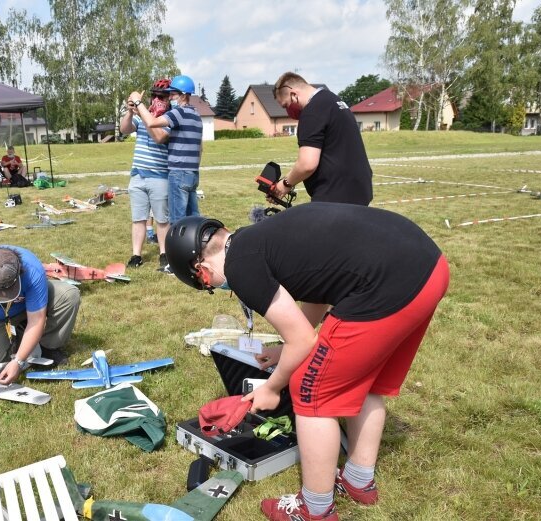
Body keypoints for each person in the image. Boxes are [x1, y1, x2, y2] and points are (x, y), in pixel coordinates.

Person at [165, 204, 449, 521]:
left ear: (200, 267)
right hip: (429, 267)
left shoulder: (240, 266)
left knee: (311, 391)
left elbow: (304, 340)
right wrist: (285, 349)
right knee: (365, 379)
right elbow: (318, 290)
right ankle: (358, 480)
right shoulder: (260, 239)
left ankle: (314, 509)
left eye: (205, 282)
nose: (214, 285)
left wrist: (273, 387)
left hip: (387, 282)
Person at [0, 246, 81, 385]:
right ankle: (21, 335)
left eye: (10, 290)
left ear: (19, 273)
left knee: (69, 295)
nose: (6, 296)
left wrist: (18, 361)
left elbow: (37, 318)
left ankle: (48, 347)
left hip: (29, 309)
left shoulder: (32, 268)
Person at [269, 72, 372, 206]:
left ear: (294, 94)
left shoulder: (312, 111)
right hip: (359, 189)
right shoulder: (333, 100)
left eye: (286, 105)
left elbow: (307, 164)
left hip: (335, 195)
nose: (287, 111)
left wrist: (285, 184)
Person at [129, 74, 203, 225]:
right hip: (193, 174)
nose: (169, 98)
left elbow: (151, 122)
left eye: (173, 94)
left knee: (177, 221)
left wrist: (137, 102)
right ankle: (196, 246)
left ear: (183, 95)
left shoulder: (179, 113)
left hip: (178, 173)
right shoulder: (195, 115)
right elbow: (200, 148)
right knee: (193, 217)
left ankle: (177, 248)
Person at [121, 77, 172, 272]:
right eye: (156, 96)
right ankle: (136, 255)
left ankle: (164, 254)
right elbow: (124, 129)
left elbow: (159, 137)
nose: (158, 100)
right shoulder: (144, 114)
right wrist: (130, 109)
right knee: (138, 218)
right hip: (138, 175)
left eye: (162, 97)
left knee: (161, 219)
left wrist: (141, 110)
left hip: (159, 175)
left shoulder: (170, 117)